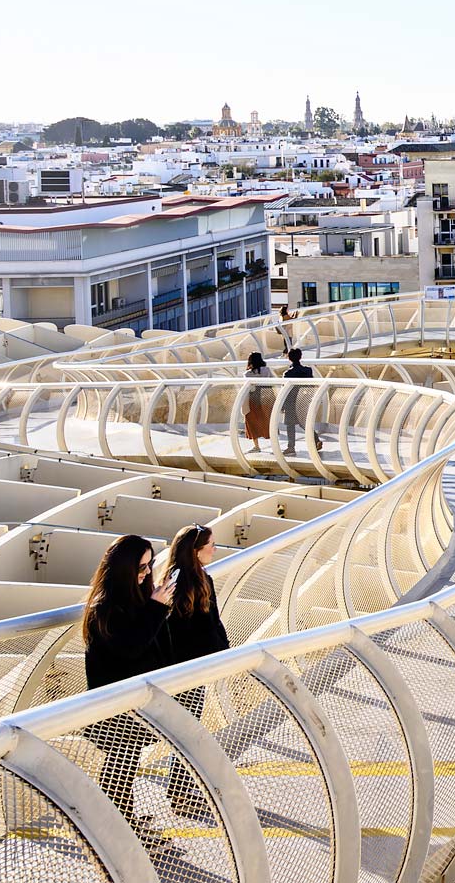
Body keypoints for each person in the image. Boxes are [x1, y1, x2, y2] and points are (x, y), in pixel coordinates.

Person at [82, 534, 174, 846]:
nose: (147, 573)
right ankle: (117, 830)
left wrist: (156, 605)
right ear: (123, 568)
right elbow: (130, 648)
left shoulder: (132, 599)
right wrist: (156, 608)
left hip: (130, 704)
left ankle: (122, 822)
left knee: (124, 767)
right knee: (119, 769)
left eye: (150, 566)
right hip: (114, 706)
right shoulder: (105, 608)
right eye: (141, 567)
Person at [160, 524, 229, 819]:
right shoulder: (178, 581)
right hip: (183, 670)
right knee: (185, 732)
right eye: (210, 544)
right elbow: (179, 629)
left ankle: (181, 789)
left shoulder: (200, 578)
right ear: (195, 550)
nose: (215, 549)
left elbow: (212, 621)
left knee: (187, 730)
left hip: (194, 667)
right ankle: (178, 793)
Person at [282, 347, 322, 455]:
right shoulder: (307, 370)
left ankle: (291, 447)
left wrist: (282, 406)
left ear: (289, 358)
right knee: (304, 423)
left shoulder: (288, 373)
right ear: (300, 357)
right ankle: (316, 439)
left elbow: (285, 391)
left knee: (290, 425)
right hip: (304, 400)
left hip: (291, 402)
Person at [243, 352, 272, 453]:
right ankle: (274, 445)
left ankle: (256, 446)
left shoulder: (247, 374)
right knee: (267, 420)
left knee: (251, 422)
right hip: (266, 398)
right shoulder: (266, 370)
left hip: (253, 399)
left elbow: (247, 387)